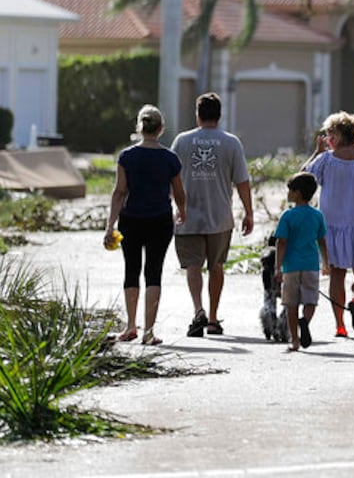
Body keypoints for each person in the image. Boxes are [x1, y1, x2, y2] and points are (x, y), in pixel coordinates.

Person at [171, 91, 254, 337]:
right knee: (216, 266)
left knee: (193, 266)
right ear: (219, 115)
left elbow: (171, 178)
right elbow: (242, 182)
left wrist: (174, 205)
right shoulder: (231, 143)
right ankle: (214, 318)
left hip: (187, 215)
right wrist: (248, 213)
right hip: (220, 217)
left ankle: (198, 310)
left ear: (197, 115)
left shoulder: (181, 141)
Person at [104, 104, 186, 346]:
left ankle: (131, 327)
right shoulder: (170, 158)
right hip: (160, 220)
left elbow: (119, 193)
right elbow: (179, 193)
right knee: (154, 272)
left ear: (139, 127)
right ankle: (148, 331)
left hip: (131, 220)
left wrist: (110, 226)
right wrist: (182, 212)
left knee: (131, 270)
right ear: (161, 129)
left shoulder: (127, 157)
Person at [304, 111, 354, 338]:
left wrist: (316, 153)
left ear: (337, 134)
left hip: (332, 226)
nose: (327, 138)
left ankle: (340, 325)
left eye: (329, 133)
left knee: (337, 276)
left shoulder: (326, 160)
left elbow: (300, 181)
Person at [273, 171, 329, 352]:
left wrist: (278, 267)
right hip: (311, 264)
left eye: (290, 191)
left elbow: (281, 242)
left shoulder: (287, 216)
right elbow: (322, 241)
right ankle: (305, 321)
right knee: (311, 301)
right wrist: (326, 263)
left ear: (297, 193)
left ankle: (295, 341)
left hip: (291, 266)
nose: (288, 194)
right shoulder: (317, 215)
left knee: (291, 304)